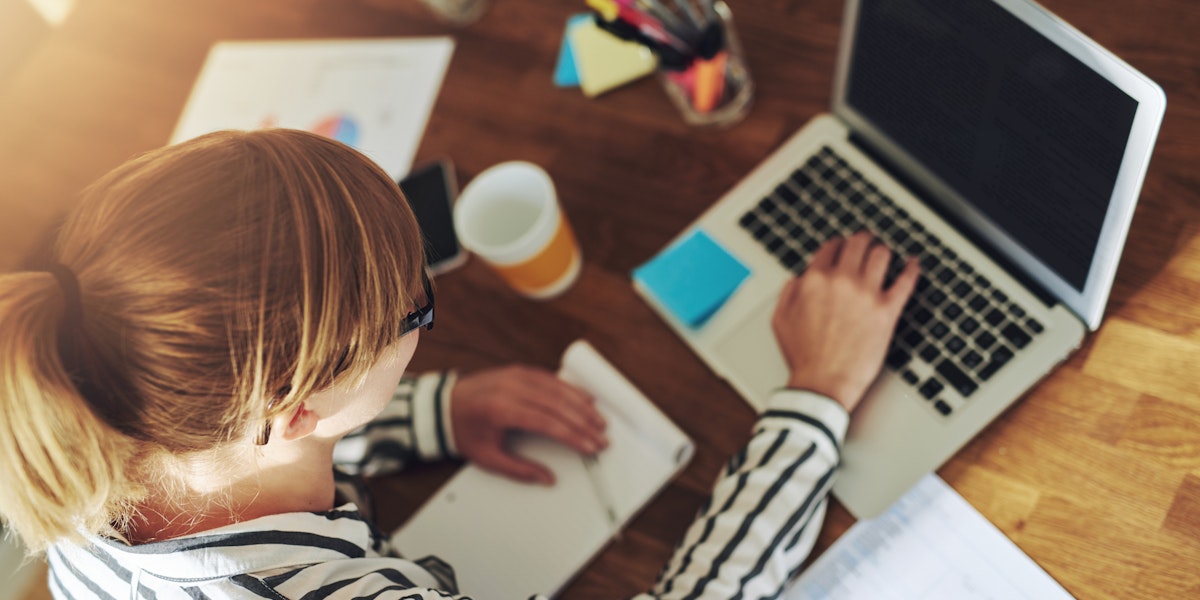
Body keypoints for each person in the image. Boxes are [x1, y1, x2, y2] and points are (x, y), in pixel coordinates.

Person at [0, 129, 918, 599]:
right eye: (419, 311)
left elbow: (240, 446)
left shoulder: (74, 429)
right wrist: (816, 396)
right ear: (297, 411)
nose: (426, 316)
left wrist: (433, 414)